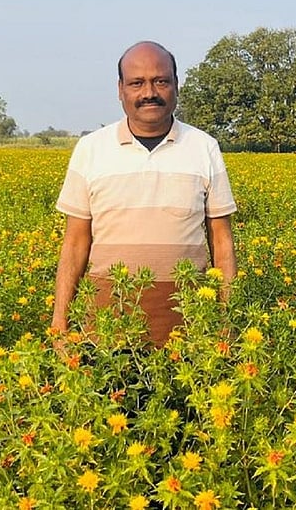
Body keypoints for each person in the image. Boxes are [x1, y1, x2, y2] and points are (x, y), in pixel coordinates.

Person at [51, 41, 237, 348]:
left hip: (190, 332)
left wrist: (226, 318)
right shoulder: (91, 149)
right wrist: (60, 322)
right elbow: (74, 242)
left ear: (176, 86)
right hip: (104, 335)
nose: (149, 92)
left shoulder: (204, 147)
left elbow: (221, 240)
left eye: (160, 81)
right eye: (137, 83)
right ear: (121, 89)